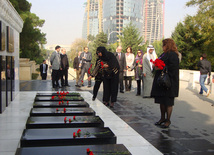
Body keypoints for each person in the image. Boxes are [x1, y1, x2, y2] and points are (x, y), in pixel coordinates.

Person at [151, 38, 179, 128]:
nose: (162, 46)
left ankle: (168, 120)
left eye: (164, 45)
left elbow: (173, 69)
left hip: (169, 83)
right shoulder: (163, 54)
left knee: (168, 102)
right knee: (161, 101)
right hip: (162, 83)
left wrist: (162, 67)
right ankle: (162, 118)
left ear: (168, 45)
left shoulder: (173, 55)